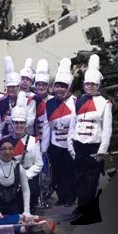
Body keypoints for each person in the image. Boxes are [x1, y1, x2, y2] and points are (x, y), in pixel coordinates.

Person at [67, 54, 113, 220]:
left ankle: (87, 209)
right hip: (79, 145)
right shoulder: (78, 101)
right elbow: (73, 124)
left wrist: (102, 151)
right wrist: (71, 146)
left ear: (97, 85)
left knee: (91, 180)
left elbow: (107, 130)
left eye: (93, 84)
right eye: (87, 84)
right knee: (79, 178)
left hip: (94, 146)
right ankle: (80, 207)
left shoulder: (104, 103)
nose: (89, 87)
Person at [41, 58, 76, 207]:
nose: (60, 89)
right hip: (55, 144)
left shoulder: (76, 102)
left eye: (63, 86)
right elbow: (46, 126)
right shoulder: (49, 103)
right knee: (58, 172)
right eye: (57, 86)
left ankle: (71, 197)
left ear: (69, 88)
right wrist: (44, 149)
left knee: (70, 172)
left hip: (70, 144)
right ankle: (61, 197)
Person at [0, 138, 31, 219]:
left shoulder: (19, 168)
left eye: (10, 149)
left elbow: (25, 190)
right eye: (4, 149)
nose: (7, 152)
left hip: (14, 206)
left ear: (13, 151)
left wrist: (27, 210)